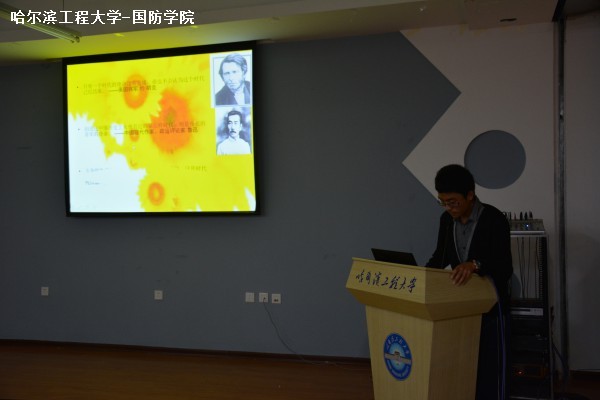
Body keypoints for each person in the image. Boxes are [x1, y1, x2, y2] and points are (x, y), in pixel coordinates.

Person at [425, 164, 512, 400]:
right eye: (443, 202)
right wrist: (421, 276)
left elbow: (505, 267)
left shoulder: (494, 219)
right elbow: (440, 257)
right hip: (461, 307)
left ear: (470, 195)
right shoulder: (446, 220)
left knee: (490, 372)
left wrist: (475, 264)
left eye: (453, 202)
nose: (448, 208)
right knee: (463, 369)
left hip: (492, 309)